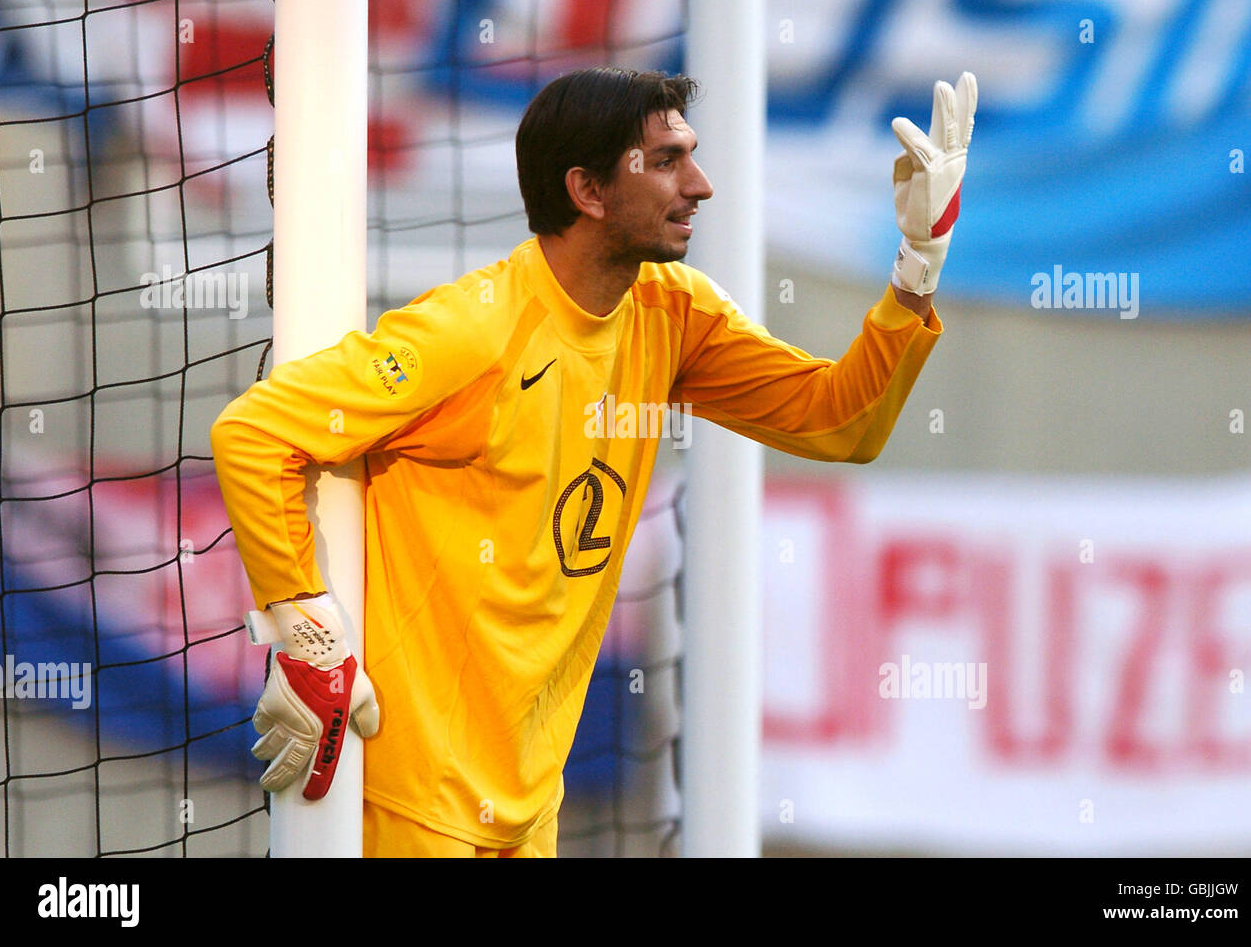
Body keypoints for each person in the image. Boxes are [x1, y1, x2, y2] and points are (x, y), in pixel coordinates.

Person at [210, 66, 977, 857]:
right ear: (588, 191)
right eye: (668, 160)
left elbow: (840, 424)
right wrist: (305, 631)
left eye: (693, 154)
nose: (702, 184)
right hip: (407, 804)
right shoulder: (472, 333)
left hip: (530, 812)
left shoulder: (674, 314)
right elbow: (255, 432)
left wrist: (917, 264)